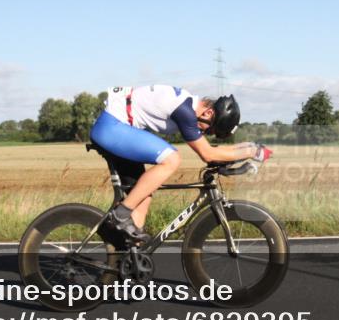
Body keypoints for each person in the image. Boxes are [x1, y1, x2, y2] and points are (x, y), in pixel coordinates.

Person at [89, 85, 271, 245]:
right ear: (208, 113)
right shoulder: (184, 111)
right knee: (172, 159)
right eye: (210, 129)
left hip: (120, 127)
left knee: (142, 197)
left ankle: (128, 262)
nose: (205, 132)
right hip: (112, 127)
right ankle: (119, 215)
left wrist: (249, 147)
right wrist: (251, 151)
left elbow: (213, 151)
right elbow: (208, 154)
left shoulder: (187, 104)